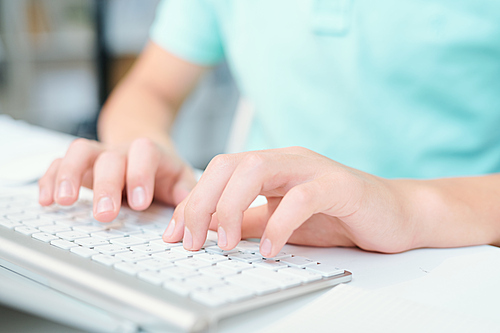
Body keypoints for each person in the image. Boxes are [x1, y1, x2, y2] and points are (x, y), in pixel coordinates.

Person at [38, 1, 500, 258]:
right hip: (258, 248)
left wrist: (405, 207)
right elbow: (150, 90)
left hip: (455, 256)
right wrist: (147, 152)